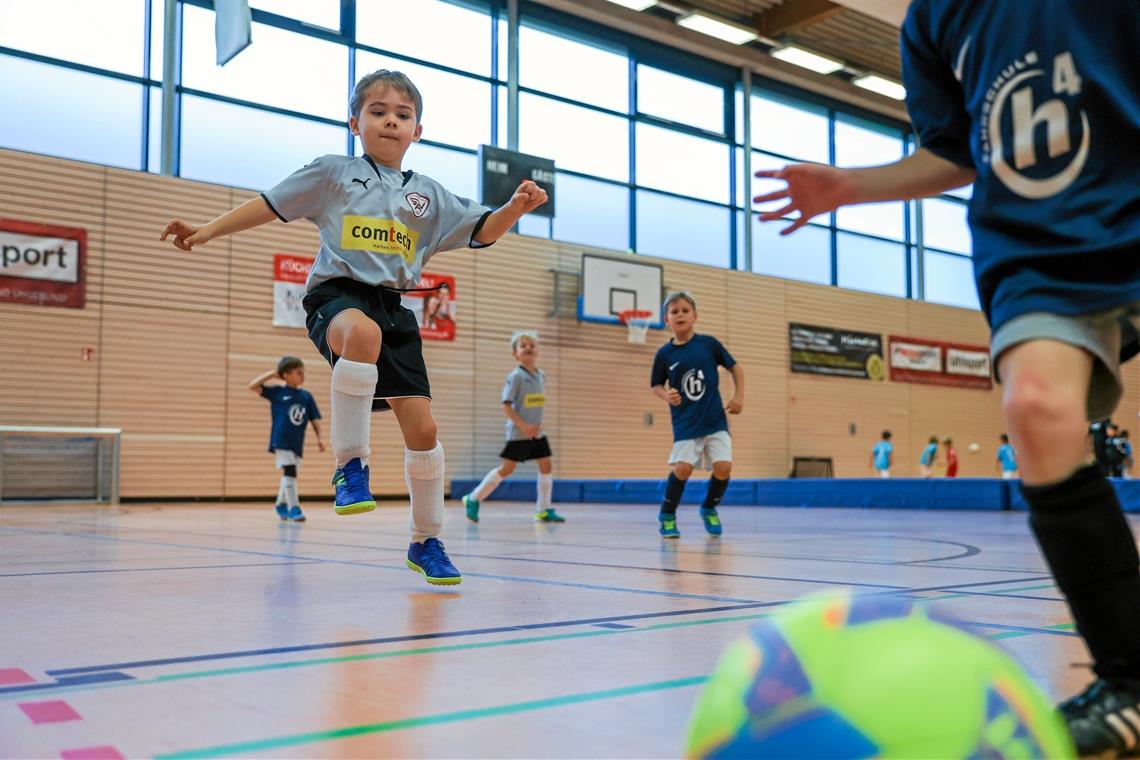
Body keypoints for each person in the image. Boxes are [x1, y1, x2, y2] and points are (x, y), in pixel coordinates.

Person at [753, 1, 1140, 751]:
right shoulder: (934, 20)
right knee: (1035, 408)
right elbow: (957, 152)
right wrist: (850, 187)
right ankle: (1130, 680)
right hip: (1039, 255)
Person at [161, 69, 548, 586]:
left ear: (418, 131)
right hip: (337, 296)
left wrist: (516, 207)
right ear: (354, 122)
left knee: (425, 431)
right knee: (361, 335)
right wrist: (207, 230)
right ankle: (351, 467)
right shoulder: (332, 174)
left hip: (396, 309)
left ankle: (426, 540)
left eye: (403, 115)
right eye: (378, 111)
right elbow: (269, 204)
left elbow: (484, 231)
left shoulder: (430, 197)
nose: (391, 120)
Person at [650, 291, 744, 538]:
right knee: (683, 469)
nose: (680, 314)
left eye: (684, 310)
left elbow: (736, 369)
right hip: (685, 423)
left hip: (714, 420)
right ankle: (667, 515)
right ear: (666, 319)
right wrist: (665, 395)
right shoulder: (664, 354)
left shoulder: (709, 345)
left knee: (723, 467)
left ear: (695, 316)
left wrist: (739, 396)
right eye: (674, 311)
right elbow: (656, 385)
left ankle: (709, 508)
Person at [461, 331, 564, 524]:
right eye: (523, 345)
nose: (528, 348)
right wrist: (524, 426)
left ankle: (543, 509)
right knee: (507, 468)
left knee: (546, 465)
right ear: (515, 354)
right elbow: (506, 405)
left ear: (538, 351)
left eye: (532, 345)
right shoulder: (515, 377)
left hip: (537, 432)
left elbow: (535, 403)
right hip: (519, 432)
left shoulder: (542, 376)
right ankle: (473, 498)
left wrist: (536, 425)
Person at [248, 356, 324, 522]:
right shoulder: (277, 393)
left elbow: (315, 419)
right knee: (290, 471)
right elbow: (252, 386)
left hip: (297, 442)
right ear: (287, 375)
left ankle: (280, 504)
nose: (302, 376)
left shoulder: (306, 396)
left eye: (303, 372)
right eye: (298, 373)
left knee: (290, 474)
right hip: (281, 440)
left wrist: (320, 438)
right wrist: (272, 374)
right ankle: (294, 508)